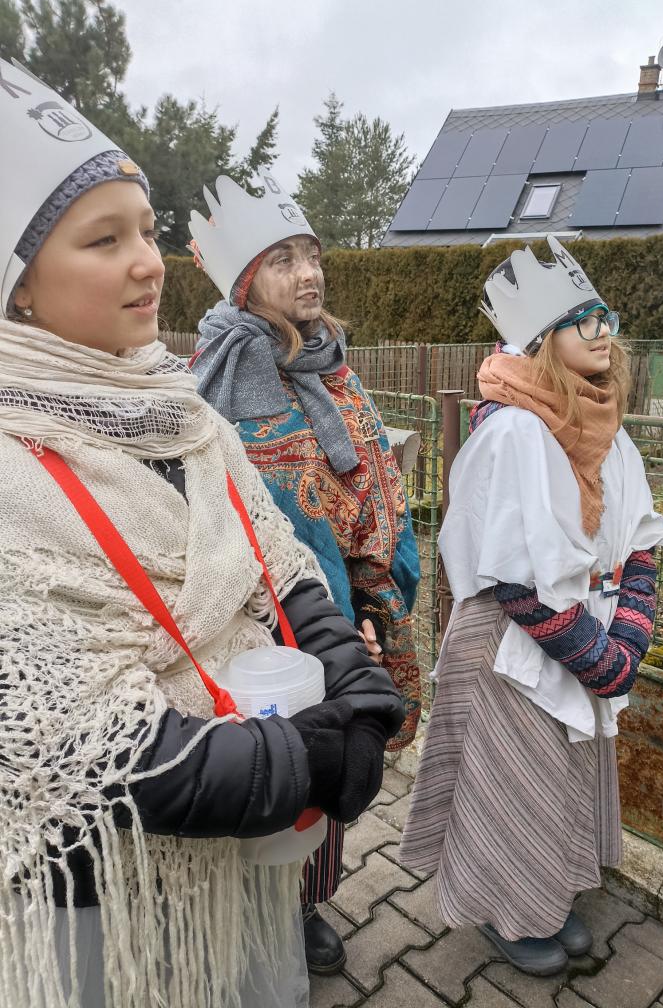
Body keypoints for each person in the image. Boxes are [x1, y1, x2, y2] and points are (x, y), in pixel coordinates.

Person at [0, 59, 404, 1008]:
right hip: (101, 887)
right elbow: (74, 738)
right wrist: (298, 760)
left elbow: (275, 560)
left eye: (146, 230)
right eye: (105, 239)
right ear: (19, 289)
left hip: (236, 848)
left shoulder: (182, 410)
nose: (150, 261)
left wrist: (347, 673)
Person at [399, 236, 663, 977]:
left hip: (590, 637)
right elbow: (515, 578)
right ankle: (509, 915)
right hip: (516, 645)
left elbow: (639, 542)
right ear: (544, 339)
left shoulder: (609, 430)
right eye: (583, 320)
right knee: (514, 784)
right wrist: (597, 656)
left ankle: (545, 896)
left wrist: (627, 636)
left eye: (605, 316)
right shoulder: (516, 429)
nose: (602, 332)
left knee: (561, 780)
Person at [188, 174, 421, 973]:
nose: (309, 273)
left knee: (332, 763)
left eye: (312, 255)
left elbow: (377, 491)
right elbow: (222, 508)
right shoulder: (217, 378)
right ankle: (249, 910)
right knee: (271, 762)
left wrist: (371, 603)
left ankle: (306, 903)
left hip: (343, 610)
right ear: (244, 280)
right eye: (284, 259)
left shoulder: (333, 366)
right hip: (257, 625)